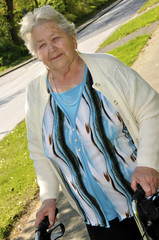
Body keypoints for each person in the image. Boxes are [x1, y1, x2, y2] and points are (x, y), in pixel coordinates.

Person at [20, 5, 159, 240]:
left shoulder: (107, 68)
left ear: (72, 38)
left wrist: (147, 164)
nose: (51, 48)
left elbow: (151, 110)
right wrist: (48, 198)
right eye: (41, 44)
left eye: (56, 38)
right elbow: (39, 152)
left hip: (144, 200)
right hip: (97, 219)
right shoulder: (35, 93)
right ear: (37, 54)